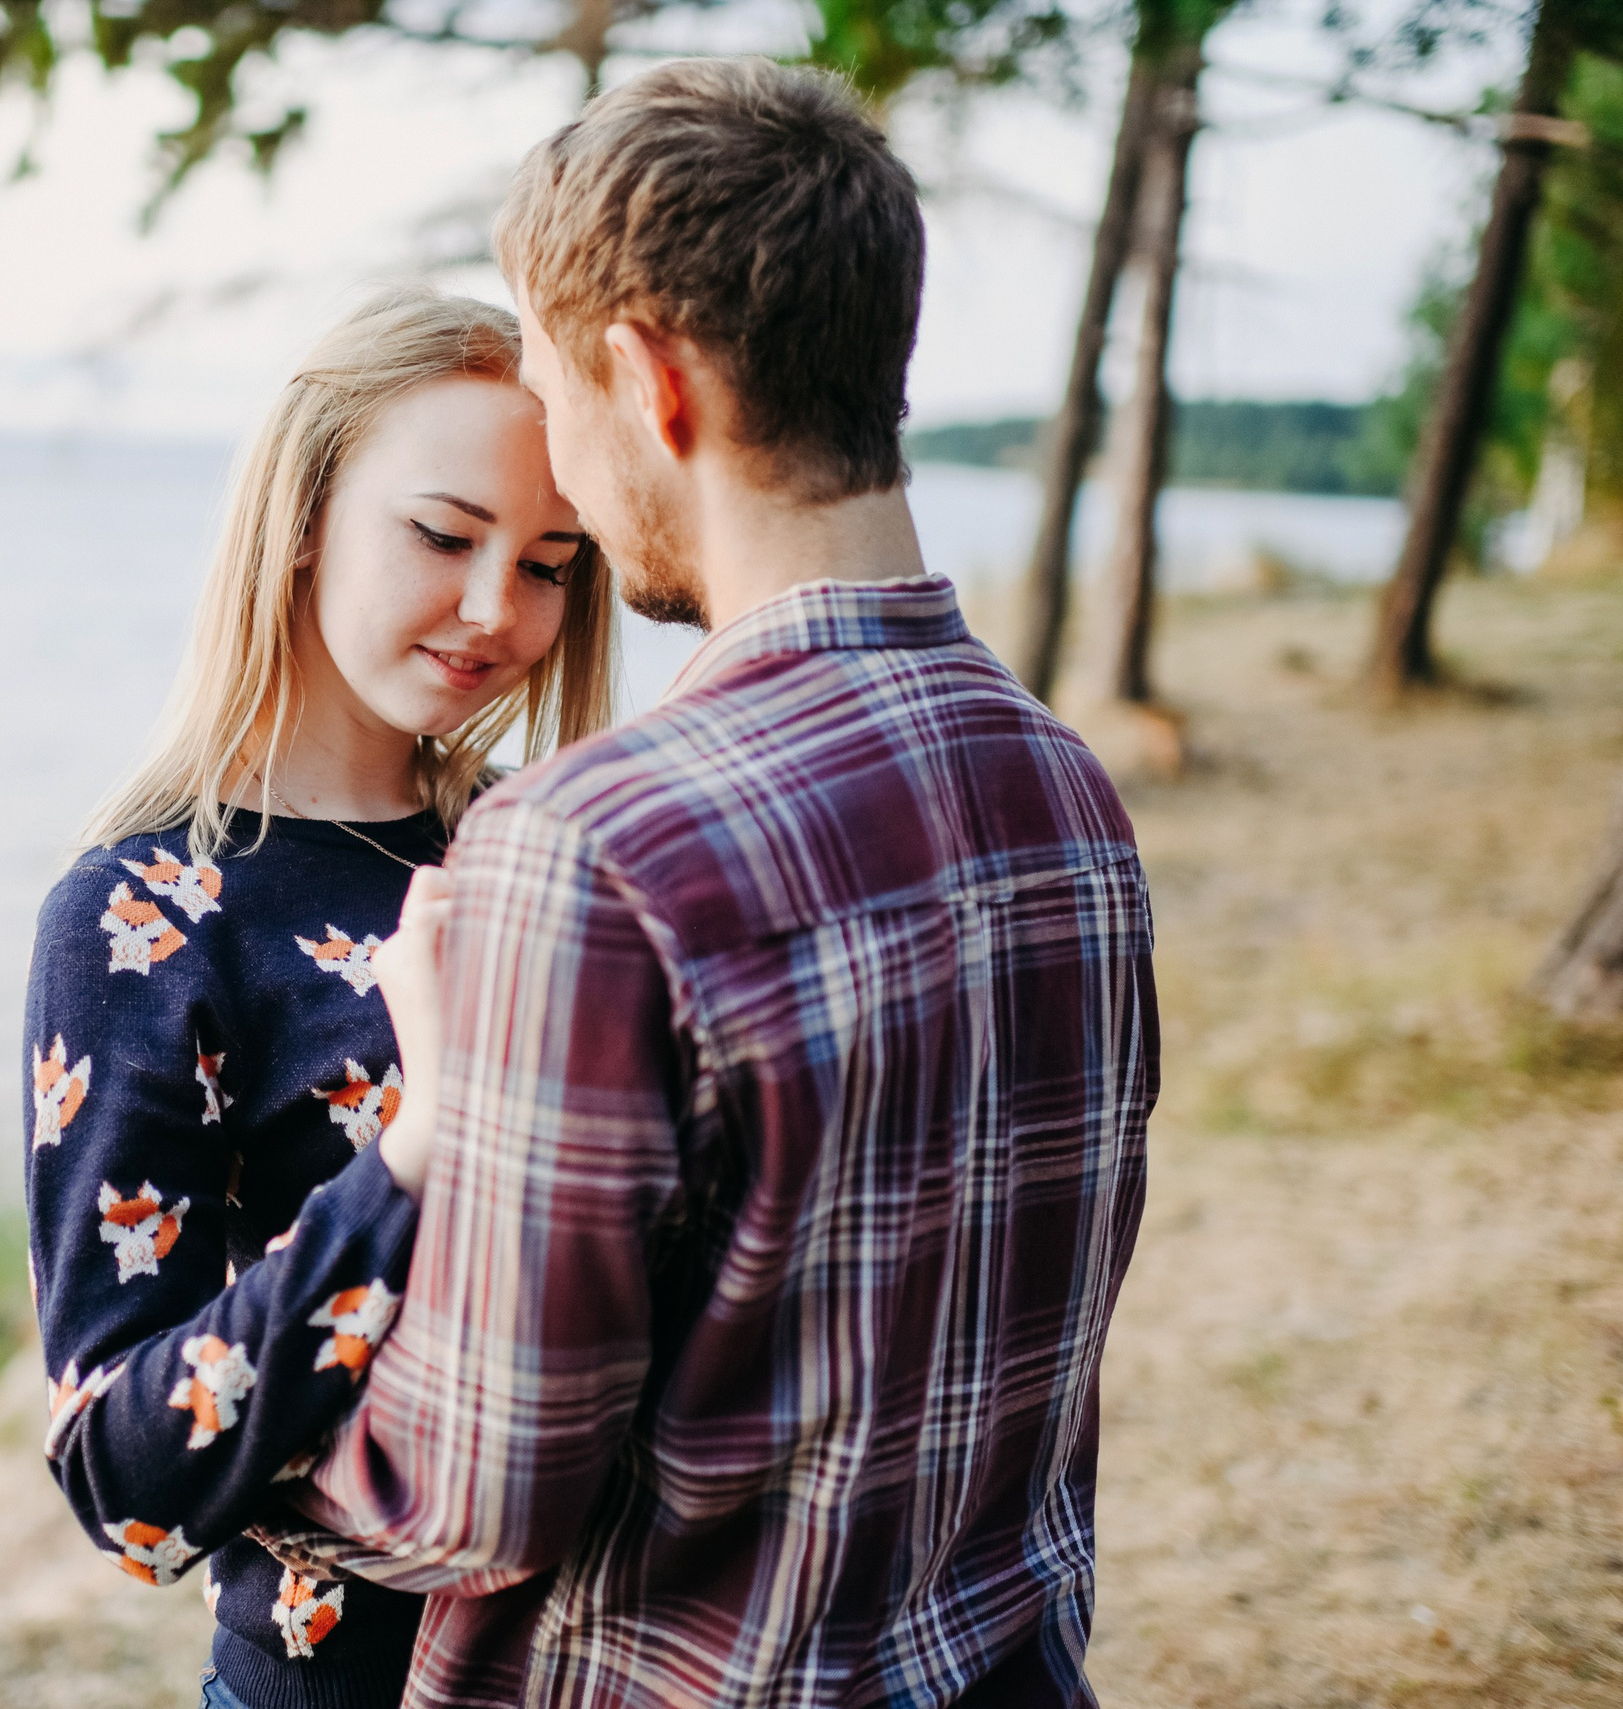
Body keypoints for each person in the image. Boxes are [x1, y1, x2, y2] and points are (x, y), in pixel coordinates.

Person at [279, 60, 1160, 1709]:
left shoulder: (589, 852)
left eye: (554, 397)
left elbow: (473, 1489)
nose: (571, 490)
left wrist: (186, 1453)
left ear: (647, 382)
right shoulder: (1068, 787)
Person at [21, 287, 617, 1709]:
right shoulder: (143, 918)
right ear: (304, 512)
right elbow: (118, 1476)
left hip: (629, 1666)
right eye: (443, 533)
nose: (497, 610)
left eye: (549, 560)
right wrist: (418, 1153)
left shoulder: (544, 843)